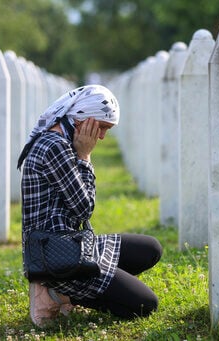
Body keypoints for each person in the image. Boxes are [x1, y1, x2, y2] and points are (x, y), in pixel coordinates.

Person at [17, 85, 162, 327]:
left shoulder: (62, 139)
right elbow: (84, 208)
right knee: (146, 304)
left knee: (150, 249)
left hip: (72, 243)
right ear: (85, 119)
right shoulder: (55, 146)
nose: (103, 136)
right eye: (102, 127)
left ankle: (74, 290)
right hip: (57, 258)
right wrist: (85, 157)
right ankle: (55, 293)